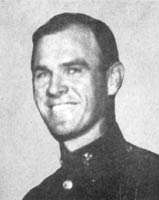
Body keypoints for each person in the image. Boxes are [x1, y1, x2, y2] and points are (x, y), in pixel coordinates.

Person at [23, 13, 159, 200]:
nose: (54, 88)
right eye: (43, 74)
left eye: (72, 70)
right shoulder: (38, 197)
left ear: (113, 79)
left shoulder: (152, 181)